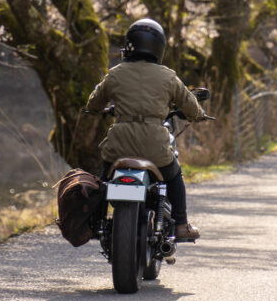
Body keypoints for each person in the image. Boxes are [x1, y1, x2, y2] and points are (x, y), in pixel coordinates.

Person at [84, 18, 207, 241]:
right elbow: (190, 105)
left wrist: (100, 108)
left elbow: (93, 103)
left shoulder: (116, 73)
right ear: (159, 47)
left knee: (103, 179)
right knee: (175, 175)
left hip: (119, 145)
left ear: (129, 45)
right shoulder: (168, 76)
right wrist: (198, 114)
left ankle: (95, 222)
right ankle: (181, 225)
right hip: (155, 145)